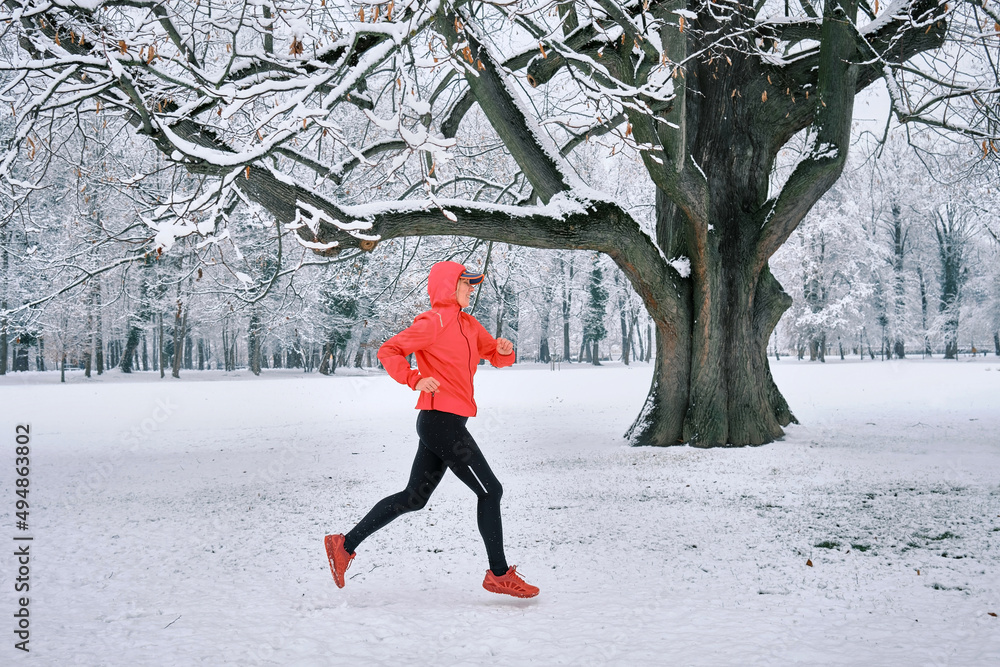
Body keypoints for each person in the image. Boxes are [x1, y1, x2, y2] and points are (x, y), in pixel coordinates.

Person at [324, 261, 539, 598]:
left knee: (414, 497)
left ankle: (343, 544)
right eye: (466, 284)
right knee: (490, 490)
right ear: (448, 286)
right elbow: (389, 350)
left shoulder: (469, 324)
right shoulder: (433, 322)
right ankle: (498, 575)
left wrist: (504, 350)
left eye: (472, 284)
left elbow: (492, 354)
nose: (471, 289)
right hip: (440, 421)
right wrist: (414, 378)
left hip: (446, 423)